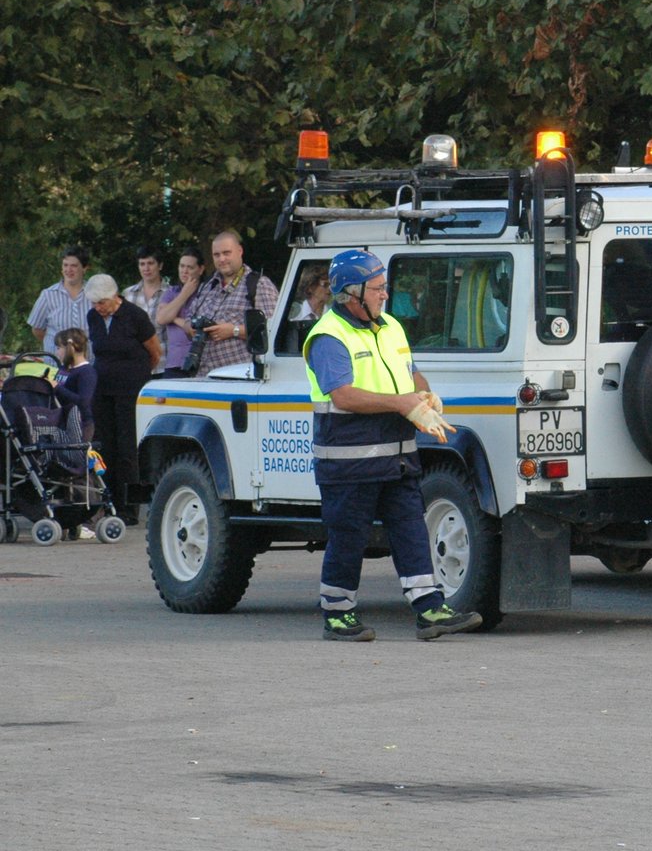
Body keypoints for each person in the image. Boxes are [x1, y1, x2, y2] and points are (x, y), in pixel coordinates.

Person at [304, 249, 481, 642]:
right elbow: (344, 396)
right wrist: (402, 404)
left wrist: (426, 396)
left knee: (411, 530)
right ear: (352, 293)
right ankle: (337, 614)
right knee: (348, 537)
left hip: (398, 457)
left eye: (385, 287)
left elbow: (412, 374)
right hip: (349, 463)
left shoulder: (391, 327)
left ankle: (429, 608)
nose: (386, 295)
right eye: (378, 288)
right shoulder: (329, 336)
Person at [84, 274, 162, 521]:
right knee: (104, 444)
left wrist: (136, 374)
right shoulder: (93, 317)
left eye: (102, 303)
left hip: (130, 387)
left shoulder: (135, 316)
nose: (99, 308)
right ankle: (109, 502)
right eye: (95, 303)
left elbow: (154, 352)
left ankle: (129, 507)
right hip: (103, 388)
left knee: (127, 445)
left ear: (114, 297)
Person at [187, 230, 280, 376]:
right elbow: (189, 318)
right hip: (205, 376)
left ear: (239, 251)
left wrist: (233, 331)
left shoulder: (259, 284)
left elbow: (273, 331)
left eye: (226, 253)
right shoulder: (208, 286)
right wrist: (192, 330)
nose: (221, 259)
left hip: (240, 377)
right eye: (216, 255)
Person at [28, 247, 93, 359]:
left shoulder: (94, 294)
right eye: (65, 265)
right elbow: (37, 329)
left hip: (87, 363)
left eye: (74, 266)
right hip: (56, 364)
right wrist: (59, 345)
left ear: (85, 268)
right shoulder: (48, 295)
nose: (69, 270)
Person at [155, 246, 206, 375]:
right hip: (174, 362)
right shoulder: (172, 292)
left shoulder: (207, 293)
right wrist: (184, 294)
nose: (184, 271)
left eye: (190, 267)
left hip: (200, 361)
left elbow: (196, 326)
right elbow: (161, 319)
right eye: (182, 266)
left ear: (200, 269)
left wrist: (174, 318)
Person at [122, 246, 169, 374]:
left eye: (150, 263)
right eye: (142, 264)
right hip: (135, 365)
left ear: (160, 266)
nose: (146, 268)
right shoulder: (128, 294)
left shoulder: (171, 293)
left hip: (163, 365)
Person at [51, 328, 96, 443]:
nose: (57, 352)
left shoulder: (86, 372)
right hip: (63, 421)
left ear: (70, 347)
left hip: (81, 424)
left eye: (59, 348)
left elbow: (84, 401)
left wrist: (57, 388)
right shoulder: (63, 369)